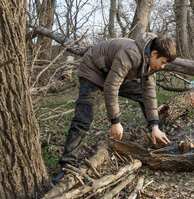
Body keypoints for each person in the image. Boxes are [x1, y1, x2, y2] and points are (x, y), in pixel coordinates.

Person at [53, 32, 177, 184]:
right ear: (154, 53)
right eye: (163, 62)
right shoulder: (130, 54)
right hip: (93, 72)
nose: (163, 66)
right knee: (83, 119)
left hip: (113, 74)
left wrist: (155, 125)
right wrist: (115, 121)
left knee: (142, 96)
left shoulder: (149, 62)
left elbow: (149, 95)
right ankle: (67, 166)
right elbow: (111, 87)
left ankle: (158, 139)